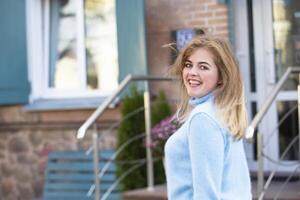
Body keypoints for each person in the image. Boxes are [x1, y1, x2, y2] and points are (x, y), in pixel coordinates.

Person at [164, 34, 252, 200]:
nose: (192, 73)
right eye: (188, 65)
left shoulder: (203, 118)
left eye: (203, 67)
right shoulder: (222, 111)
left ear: (221, 77)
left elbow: (207, 196)